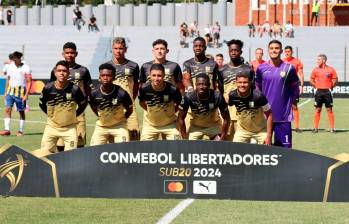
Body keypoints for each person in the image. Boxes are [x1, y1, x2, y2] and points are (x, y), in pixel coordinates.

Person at [256, 40, 299, 148]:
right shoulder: (261, 68)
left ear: (281, 50)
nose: (274, 50)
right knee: (264, 151)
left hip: (283, 117)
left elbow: (295, 88)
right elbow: (257, 88)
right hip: (264, 117)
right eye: (271, 48)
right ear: (268, 50)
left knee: (285, 151)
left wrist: (290, 102)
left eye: (276, 48)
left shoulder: (289, 68)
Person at [50, 42, 92, 150]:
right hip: (61, 111)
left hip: (78, 111)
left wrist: (83, 105)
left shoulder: (83, 70)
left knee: (80, 143)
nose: (69, 55)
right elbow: (51, 90)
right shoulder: (56, 70)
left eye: (72, 53)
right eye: (67, 53)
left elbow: (88, 91)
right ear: (63, 54)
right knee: (60, 144)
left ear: (76, 54)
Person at [39, 60, 87, 154]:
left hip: (70, 128)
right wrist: (50, 115)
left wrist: (75, 114)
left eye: (64, 71)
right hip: (51, 127)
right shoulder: (48, 88)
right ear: (55, 72)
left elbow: (83, 103)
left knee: (71, 156)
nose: (62, 73)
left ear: (68, 73)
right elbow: (41, 104)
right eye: (59, 71)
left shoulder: (75, 89)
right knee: (44, 154)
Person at [219, 39, 255, 141]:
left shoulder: (248, 69)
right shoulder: (222, 70)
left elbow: (253, 91)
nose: (233, 52)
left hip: (243, 113)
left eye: (236, 50)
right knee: (226, 144)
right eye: (231, 50)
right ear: (228, 52)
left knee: (242, 145)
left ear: (241, 52)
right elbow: (221, 91)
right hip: (227, 113)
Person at [89, 63, 133, 145]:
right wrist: (101, 117)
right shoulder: (94, 93)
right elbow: (93, 107)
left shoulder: (122, 93)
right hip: (101, 127)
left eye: (108, 75)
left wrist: (121, 119)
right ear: (99, 77)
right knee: (93, 150)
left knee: (123, 150)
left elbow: (130, 109)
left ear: (113, 77)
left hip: (119, 126)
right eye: (103, 75)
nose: (105, 78)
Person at [177, 73, 230, 140]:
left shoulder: (217, 96)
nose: (201, 87)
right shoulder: (188, 96)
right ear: (195, 85)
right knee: (189, 148)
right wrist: (185, 140)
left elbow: (227, 119)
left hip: (213, 126)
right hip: (196, 127)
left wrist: (222, 139)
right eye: (198, 84)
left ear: (209, 85)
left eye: (204, 84)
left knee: (220, 147)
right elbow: (180, 118)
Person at [106, 37, 140, 140]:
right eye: (116, 48)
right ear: (112, 49)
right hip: (112, 106)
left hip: (129, 106)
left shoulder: (133, 66)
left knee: (134, 136)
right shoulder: (107, 66)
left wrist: (130, 100)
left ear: (125, 49)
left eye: (121, 48)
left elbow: (136, 87)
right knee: (112, 138)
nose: (118, 51)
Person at [138, 63, 182, 140]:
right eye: (154, 75)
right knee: (144, 148)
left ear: (164, 75)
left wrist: (170, 113)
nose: (156, 78)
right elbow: (141, 103)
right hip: (150, 125)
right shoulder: (144, 88)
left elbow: (179, 104)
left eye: (159, 75)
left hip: (169, 125)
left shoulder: (173, 89)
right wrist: (150, 110)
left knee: (177, 145)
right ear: (150, 76)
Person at [228, 73, 272, 145]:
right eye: (240, 82)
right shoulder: (232, 95)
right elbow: (229, 105)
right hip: (242, 130)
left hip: (260, 130)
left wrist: (269, 136)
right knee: (235, 149)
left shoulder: (259, 96)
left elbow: (269, 114)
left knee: (267, 150)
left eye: (245, 82)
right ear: (236, 83)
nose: (242, 85)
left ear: (250, 83)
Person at [0, 51, 32, 136]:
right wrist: (5, 91)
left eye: (16, 57)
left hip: (21, 93)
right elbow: (8, 79)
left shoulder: (26, 68)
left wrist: (26, 95)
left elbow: (29, 82)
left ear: (19, 58)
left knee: (21, 112)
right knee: (7, 109)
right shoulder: (10, 67)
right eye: (13, 58)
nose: (14, 59)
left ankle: (21, 130)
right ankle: (7, 130)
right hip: (10, 92)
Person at [310, 54, 338, 133]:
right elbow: (311, 79)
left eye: (319, 60)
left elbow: (335, 79)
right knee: (317, 109)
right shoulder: (315, 69)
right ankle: (315, 128)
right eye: (317, 59)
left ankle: (332, 128)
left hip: (327, 92)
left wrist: (332, 86)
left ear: (324, 60)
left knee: (329, 109)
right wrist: (315, 85)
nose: (317, 61)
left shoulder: (331, 69)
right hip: (318, 92)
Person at [283, 46, 304, 132]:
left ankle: (297, 127)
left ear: (292, 52)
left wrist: (301, 86)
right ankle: (284, 125)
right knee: (283, 106)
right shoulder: (282, 61)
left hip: (293, 87)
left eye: (289, 51)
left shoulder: (297, 62)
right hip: (283, 87)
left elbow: (300, 73)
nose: (287, 53)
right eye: (286, 51)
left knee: (294, 106)